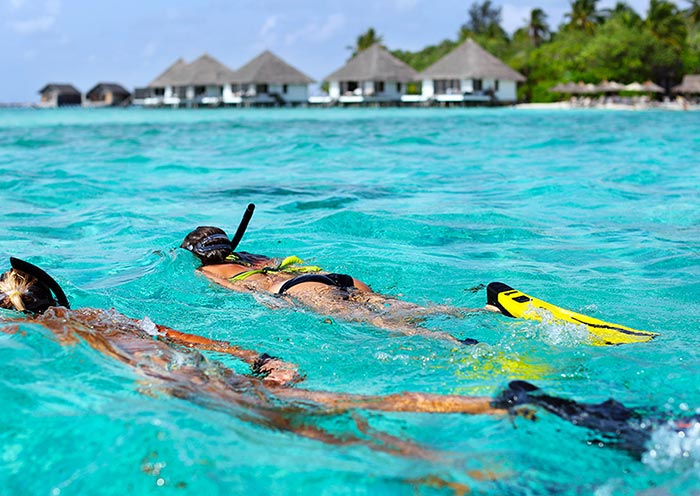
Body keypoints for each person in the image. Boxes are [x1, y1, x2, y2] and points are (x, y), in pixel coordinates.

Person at [180, 204, 489, 347]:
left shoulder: (208, 271)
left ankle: (452, 342)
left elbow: (246, 292)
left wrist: (275, 304)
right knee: (398, 306)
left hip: (300, 289)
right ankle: (476, 311)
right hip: (336, 277)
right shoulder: (251, 257)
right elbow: (281, 263)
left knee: (375, 322)